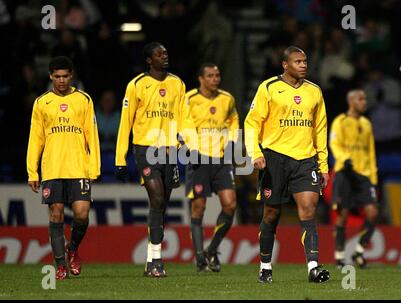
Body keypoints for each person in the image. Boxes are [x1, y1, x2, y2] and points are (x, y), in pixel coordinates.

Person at [244, 46, 330, 284]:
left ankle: (313, 267)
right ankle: (265, 266)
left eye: (305, 61)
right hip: (274, 159)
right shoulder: (269, 88)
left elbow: (320, 129)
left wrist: (323, 165)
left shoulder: (314, 91)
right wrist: (255, 153)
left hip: (305, 160)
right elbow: (251, 123)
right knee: (271, 214)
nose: (303, 65)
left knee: (309, 210)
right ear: (285, 65)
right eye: (298, 61)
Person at [115, 42, 186, 277]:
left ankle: (150, 259)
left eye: (166, 53)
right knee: (156, 198)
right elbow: (126, 122)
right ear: (149, 60)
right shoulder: (136, 85)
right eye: (159, 54)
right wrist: (120, 158)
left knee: (161, 205)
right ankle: (157, 260)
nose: (164, 56)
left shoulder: (177, 84)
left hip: (170, 151)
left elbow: (183, 117)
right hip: (145, 149)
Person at [26, 56, 100, 280]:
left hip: (78, 167)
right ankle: (60, 265)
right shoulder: (41, 102)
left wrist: (94, 167)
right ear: (50, 77)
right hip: (52, 168)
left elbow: (92, 135)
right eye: (56, 76)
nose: (61, 80)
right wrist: (32, 171)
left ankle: (73, 249)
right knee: (56, 213)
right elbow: (35, 138)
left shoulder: (84, 100)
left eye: (65, 76)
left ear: (71, 76)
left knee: (82, 214)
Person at [185, 63, 239, 272]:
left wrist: (233, 142)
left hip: (222, 159)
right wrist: (189, 147)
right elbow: (182, 125)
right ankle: (199, 258)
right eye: (210, 76)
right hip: (199, 160)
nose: (215, 79)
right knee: (199, 208)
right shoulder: (189, 99)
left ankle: (212, 250)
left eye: (217, 75)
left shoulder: (227, 99)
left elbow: (234, 120)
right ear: (200, 78)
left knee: (230, 205)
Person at [330, 89, 379, 269]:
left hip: (364, 175)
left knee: (373, 213)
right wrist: (344, 159)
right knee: (342, 215)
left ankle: (359, 251)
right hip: (345, 173)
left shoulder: (366, 123)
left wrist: (373, 176)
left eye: (365, 99)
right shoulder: (340, 121)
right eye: (360, 99)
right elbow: (334, 143)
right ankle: (340, 257)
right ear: (351, 101)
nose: (364, 102)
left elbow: (371, 151)